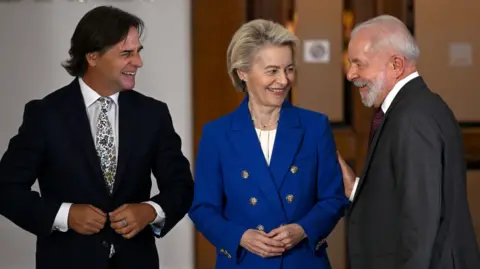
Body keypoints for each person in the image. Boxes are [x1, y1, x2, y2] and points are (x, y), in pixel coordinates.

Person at [0, 6, 194, 269]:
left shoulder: (153, 114)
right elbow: (6, 189)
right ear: (92, 57)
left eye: (138, 52)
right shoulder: (45, 115)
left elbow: (181, 185)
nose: (138, 62)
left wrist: (150, 210)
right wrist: (65, 215)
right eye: (127, 53)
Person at [188, 19, 348, 269]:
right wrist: (240, 236)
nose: (284, 80)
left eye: (289, 69)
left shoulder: (315, 127)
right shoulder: (217, 134)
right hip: (245, 262)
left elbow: (334, 199)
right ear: (243, 72)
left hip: (302, 262)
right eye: (272, 71)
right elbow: (203, 208)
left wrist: (302, 229)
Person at [337, 14, 480, 268]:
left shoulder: (413, 118)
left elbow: (420, 226)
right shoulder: (414, 108)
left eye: (359, 64)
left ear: (395, 65)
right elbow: (403, 199)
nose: (350, 74)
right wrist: (356, 189)